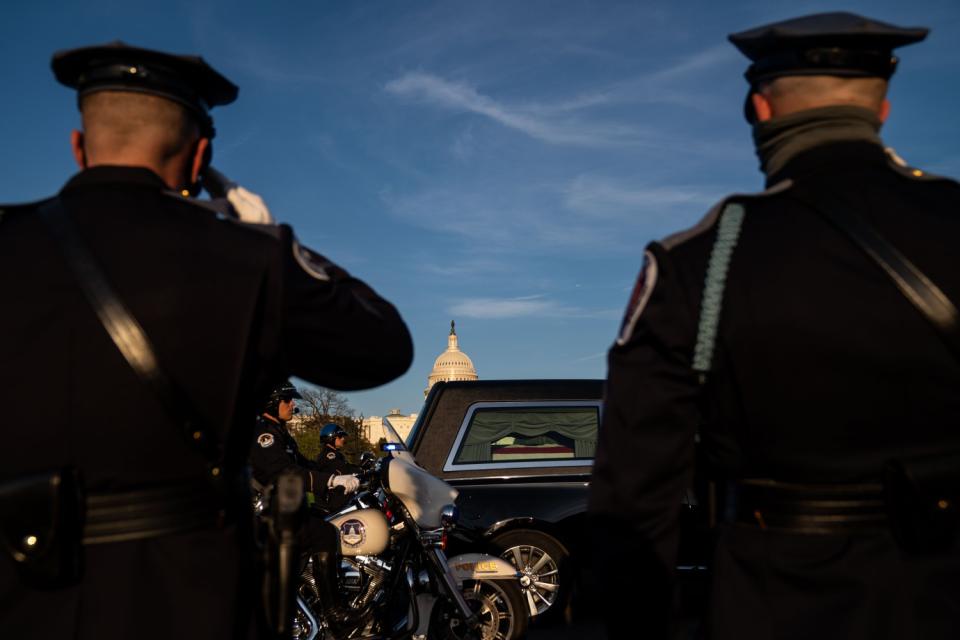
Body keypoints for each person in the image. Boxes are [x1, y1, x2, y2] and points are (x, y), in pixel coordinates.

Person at [0, 42, 412, 640]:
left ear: (78, 146)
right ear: (199, 159)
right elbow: (382, 344)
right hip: (190, 599)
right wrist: (276, 243)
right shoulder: (246, 259)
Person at [588, 12, 960, 640]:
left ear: (760, 110)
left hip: (774, 602)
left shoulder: (700, 260)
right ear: (883, 111)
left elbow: (636, 487)